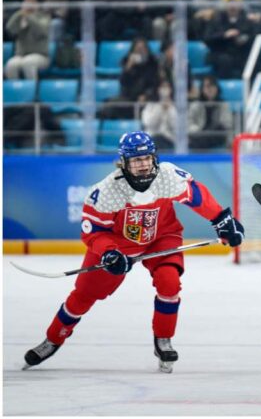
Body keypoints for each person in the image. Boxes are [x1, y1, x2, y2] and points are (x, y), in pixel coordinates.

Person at [22, 131, 244, 373]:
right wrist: (109, 253)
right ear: (124, 163)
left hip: (162, 236)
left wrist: (222, 220)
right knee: (83, 296)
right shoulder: (106, 192)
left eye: (147, 158)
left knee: (169, 283)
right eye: (137, 160)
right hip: (119, 244)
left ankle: (163, 339)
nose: (143, 165)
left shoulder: (167, 175)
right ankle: (53, 339)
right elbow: (93, 232)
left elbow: (196, 195)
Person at [4, 0, 51, 80]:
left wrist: (29, 16)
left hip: (41, 56)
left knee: (28, 62)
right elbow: (9, 29)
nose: (28, 4)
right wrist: (19, 13)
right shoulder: (19, 16)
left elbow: (42, 31)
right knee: (11, 64)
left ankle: (31, 90)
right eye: (26, 1)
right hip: (20, 55)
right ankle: (16, 89)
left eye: (32, 2)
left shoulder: (44, 17)